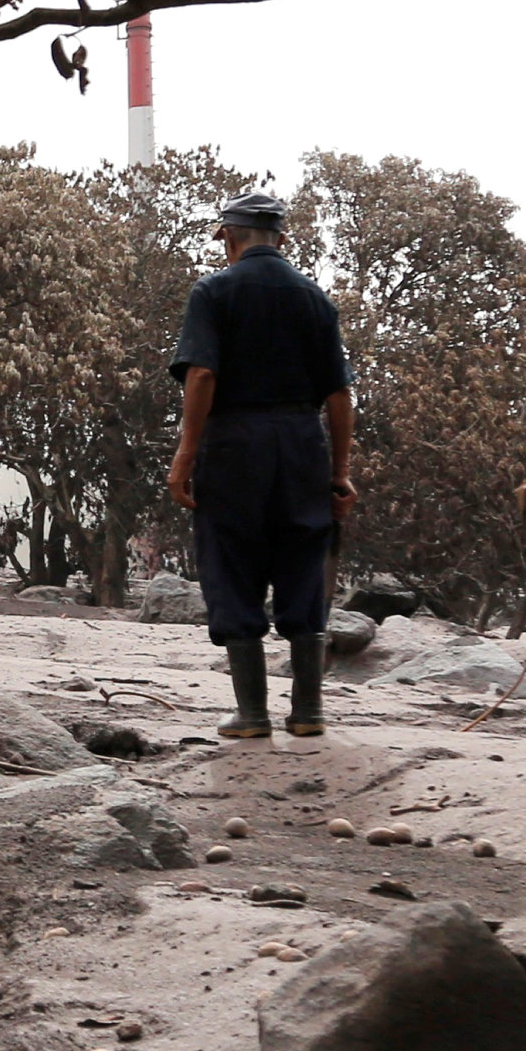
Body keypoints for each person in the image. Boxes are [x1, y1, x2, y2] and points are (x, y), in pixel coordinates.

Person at [165, 190, 357, 738]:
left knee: (230, 560)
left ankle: (252, 715)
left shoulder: (214, 291)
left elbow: (201, 375)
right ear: (282, 238)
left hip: (235, 443)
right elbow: (339, 397)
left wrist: (185, 457)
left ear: (228, 235)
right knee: (303, 555)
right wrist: (339, 473)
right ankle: (308, 713)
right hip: (301, 441)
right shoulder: (315, 299)